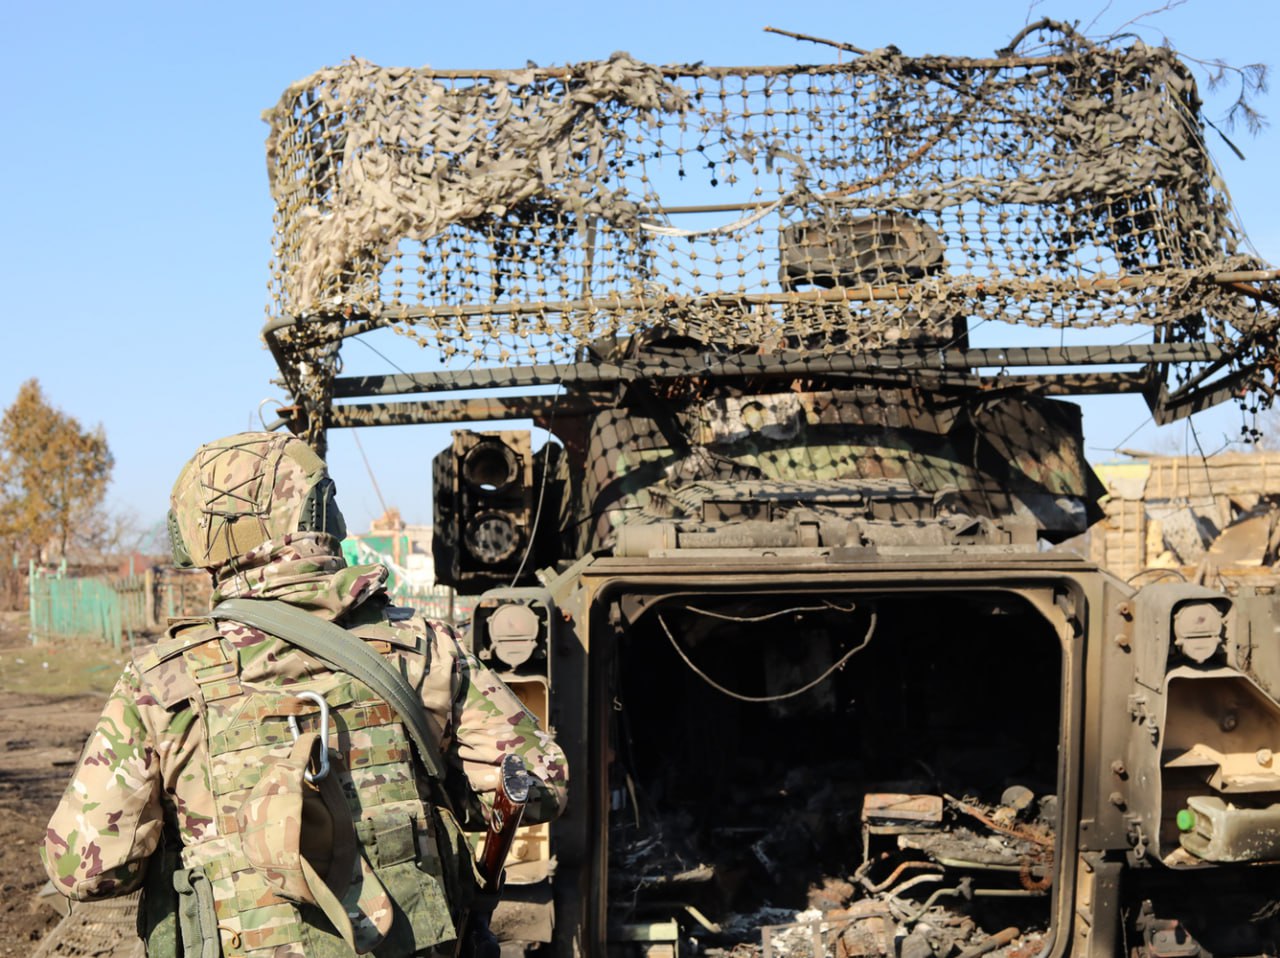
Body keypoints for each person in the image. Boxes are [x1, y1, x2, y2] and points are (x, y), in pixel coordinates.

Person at [41, 431, 567, 957]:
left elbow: (86, 868)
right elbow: (541, 783)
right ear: (321, 513)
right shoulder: (426, 648)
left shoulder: (162, 681)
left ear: (195, 539)